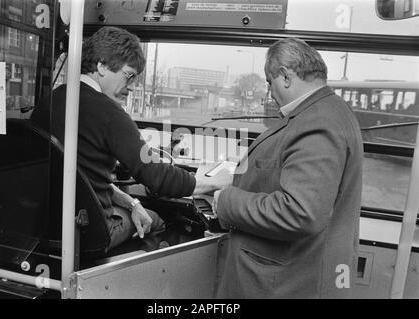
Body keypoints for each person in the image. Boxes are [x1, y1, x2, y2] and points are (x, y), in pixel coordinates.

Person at [30, 26, 228, 253]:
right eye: (129, 75)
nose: (132, 87)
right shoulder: (109, 114)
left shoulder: (49, 101)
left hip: (44, 225)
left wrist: (132, 203)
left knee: (138, 209)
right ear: (102, 66)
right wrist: (215, 183)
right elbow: (157, 177)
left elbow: (80, 178)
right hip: (89, 231)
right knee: (158, 221)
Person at [212, 38, 363, 298]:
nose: (270, 93)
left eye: (270, 83)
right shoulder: (326, 111)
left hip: (284, 281)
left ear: (285, 76)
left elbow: (299, 212)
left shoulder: (318, 122)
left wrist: (226, 200)